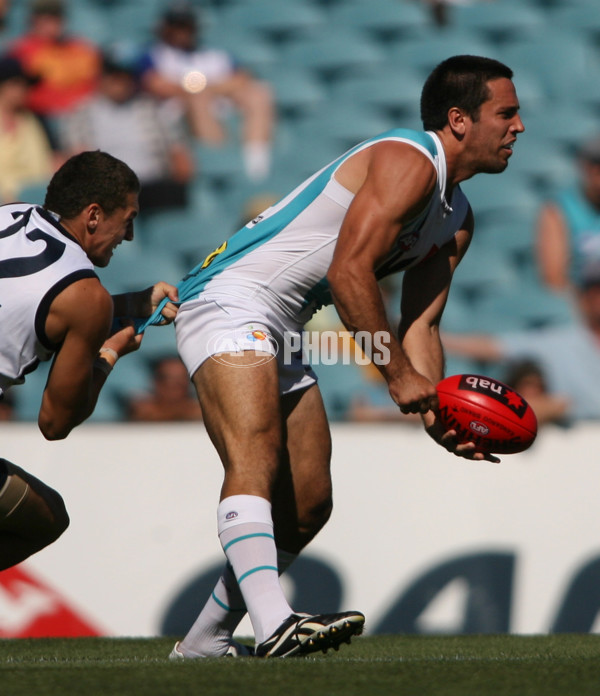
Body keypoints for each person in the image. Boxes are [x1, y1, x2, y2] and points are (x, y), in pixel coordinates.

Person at [137, 55, 524, 659]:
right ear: (458, 120)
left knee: (310, 500)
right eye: (506, 112)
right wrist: (394, 375)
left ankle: (204, 643)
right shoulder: (407, 161)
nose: (519, 126)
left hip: (283, 324)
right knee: (257, 453)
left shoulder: (457, 217)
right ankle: (274, 626)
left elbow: (420, 323)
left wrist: (440, 414)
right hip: (229, 296)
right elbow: (349, 273)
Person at [0, 150, 178, 571]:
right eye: (128, 218)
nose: (130, 236)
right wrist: (109, 352)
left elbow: (29, 300)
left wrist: (132, 302)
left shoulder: (14, 214)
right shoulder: (85, 295)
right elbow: (55, 423)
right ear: (94, 215)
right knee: (45, 519)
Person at [443, 258, 600, 424]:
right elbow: (495, 346)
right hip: (579, 430)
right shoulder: (562, 340)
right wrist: (430, 336)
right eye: (597, 289)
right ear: (586, 296)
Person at [138, 3, 275, 181]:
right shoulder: (154, 54)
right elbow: (157, 84)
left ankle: (256, 162)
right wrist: (205, 90)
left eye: (186, 25)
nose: (182, 31)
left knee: (258, 93)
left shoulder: (213, 55)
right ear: (166, 27)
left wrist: (207, 89)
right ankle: (220, 162)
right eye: (177, 25)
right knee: (198, 99)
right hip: (177, 118)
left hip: (220, 108)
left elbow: (242, 78)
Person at [59, 46, 195, 216]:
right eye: (114, 75)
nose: (121, 82)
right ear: (102, 76)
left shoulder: (153, 108)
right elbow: (76, 159)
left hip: (153, 185)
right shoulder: (81, 114)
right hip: (107, 192)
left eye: (126, 76)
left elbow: (179, 153)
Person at [9, 0, 101, 148]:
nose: (51, 23)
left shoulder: (82, 48)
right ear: (33, 20)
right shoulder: (21, 50)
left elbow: (97, 84)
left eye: (55, 17)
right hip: (42, 118)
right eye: (44, 18)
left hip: (82, 117)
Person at [536, 134, 600, 294]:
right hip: (581, 305)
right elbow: (554, 281)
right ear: (585, 166)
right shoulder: (559, 210)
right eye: (596, 163)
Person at [0, 53, 55, 204]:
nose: (24, 90)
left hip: (35, 200)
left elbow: (44, 164)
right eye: (17, 84)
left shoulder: (32, 121)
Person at [125, 354, 203, 422]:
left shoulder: (201, 410)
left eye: (181, 379)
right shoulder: (141, 410)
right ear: (156, 382)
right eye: (168, 379)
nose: (175, 385)